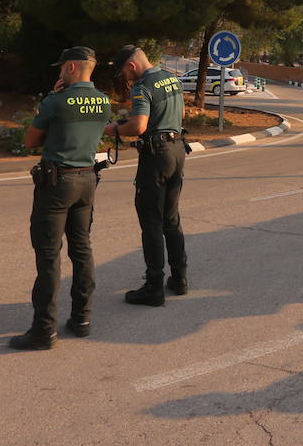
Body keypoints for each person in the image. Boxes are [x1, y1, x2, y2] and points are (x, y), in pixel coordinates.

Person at [9, 46, 111, 350]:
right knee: (81, 249)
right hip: (86, 180)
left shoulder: (56, 101)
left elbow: (30, 141)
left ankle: (43, 330)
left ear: (71, 68)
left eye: (61, 67)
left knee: (49, 256)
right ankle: (82, 319)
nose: (58, 72)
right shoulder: (104, 101)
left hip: (56, 183)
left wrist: (51, 99)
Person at [106, 45, 187, 306]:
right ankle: (179, 278)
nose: (127, 80)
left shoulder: (144, 85)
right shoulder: (171, 78)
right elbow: (181, 114)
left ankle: (153, 288)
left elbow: (138, 125)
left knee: (151, 221)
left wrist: (112, 129)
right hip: (177, 150)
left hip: (157, 156)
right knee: (171, 218)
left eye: (125, 74)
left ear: (131, 66)